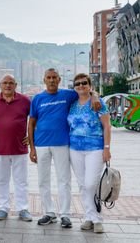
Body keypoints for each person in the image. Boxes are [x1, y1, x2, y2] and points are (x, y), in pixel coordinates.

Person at [28, 68, 100, 229]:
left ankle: (65, 214)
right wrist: (31, 148)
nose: (52, 80)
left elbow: (86, 91)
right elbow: (31, 123)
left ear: (59, 80)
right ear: (44, 80)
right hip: (41, 144)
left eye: (54, 77)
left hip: (62, 144)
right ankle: (49, 212)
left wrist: (95, 96)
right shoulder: (37, 98)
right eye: (49, 78)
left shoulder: (67, 95)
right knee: (42, 181)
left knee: (64, 180)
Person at [67, 73, 111, 233]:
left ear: (89, 85)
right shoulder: (72, 104)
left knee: (91, 183)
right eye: (77, 83)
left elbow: (107, 126)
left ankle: (97, 219)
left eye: (84, 83)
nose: (80, 86)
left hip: (95, 148)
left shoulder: (98, 103)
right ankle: (89, 217)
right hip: (75, 149)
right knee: (82, 185)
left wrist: (107, 148)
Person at [0, 75, 32, 222]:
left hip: (20, 148)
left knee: (21, 180)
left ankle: (22, 208)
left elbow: (35, 119)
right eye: (5, 83)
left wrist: (32, 137)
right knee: (2, 180)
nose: (8, 85)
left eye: (11, 83)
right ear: (0, 85)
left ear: (16, 85)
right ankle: (3, 207)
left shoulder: (25, 100)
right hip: (0, 149)